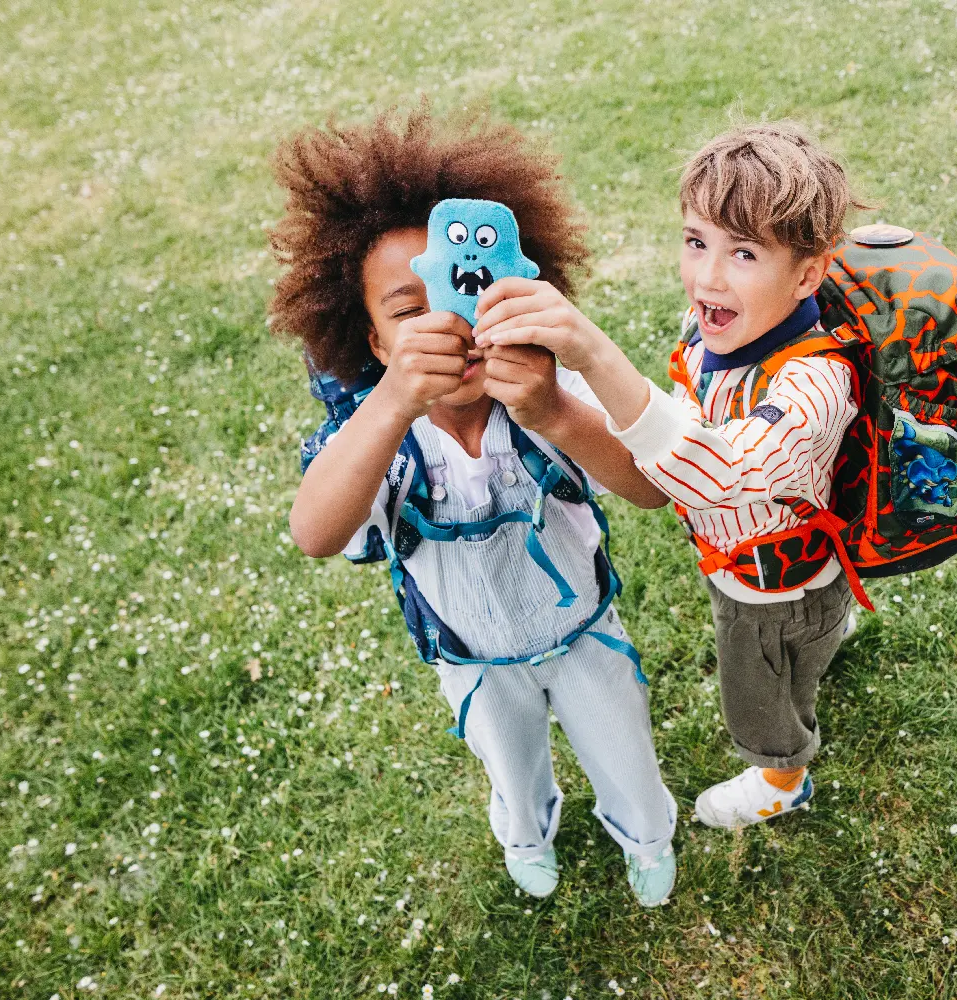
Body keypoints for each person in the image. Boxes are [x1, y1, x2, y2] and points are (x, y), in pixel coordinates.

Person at [271, 108, 677, 903]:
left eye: (463, 289)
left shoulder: (552, 396)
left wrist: (557, 412)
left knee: (623, 745)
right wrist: (389, 406)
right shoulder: (375, 438)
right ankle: (526, 834)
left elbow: (652, 488)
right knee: (510, 764)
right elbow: (315, 533)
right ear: (374, 343)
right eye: (408, 309)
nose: (446, 323)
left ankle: (646, 834)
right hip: (472, 658)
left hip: (586, 633)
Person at [475, 121, 863, 830]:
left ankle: (781, 774)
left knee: (760, 685)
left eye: (744, 253)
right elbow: (670, 450)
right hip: (780, 556)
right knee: (807, 636)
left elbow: (718, 472)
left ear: (807, 274)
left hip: (770, 585)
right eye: (696, 241)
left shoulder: (817, 385)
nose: (708, 277)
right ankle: (825, 631)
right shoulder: (722, 325)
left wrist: (593, 354)